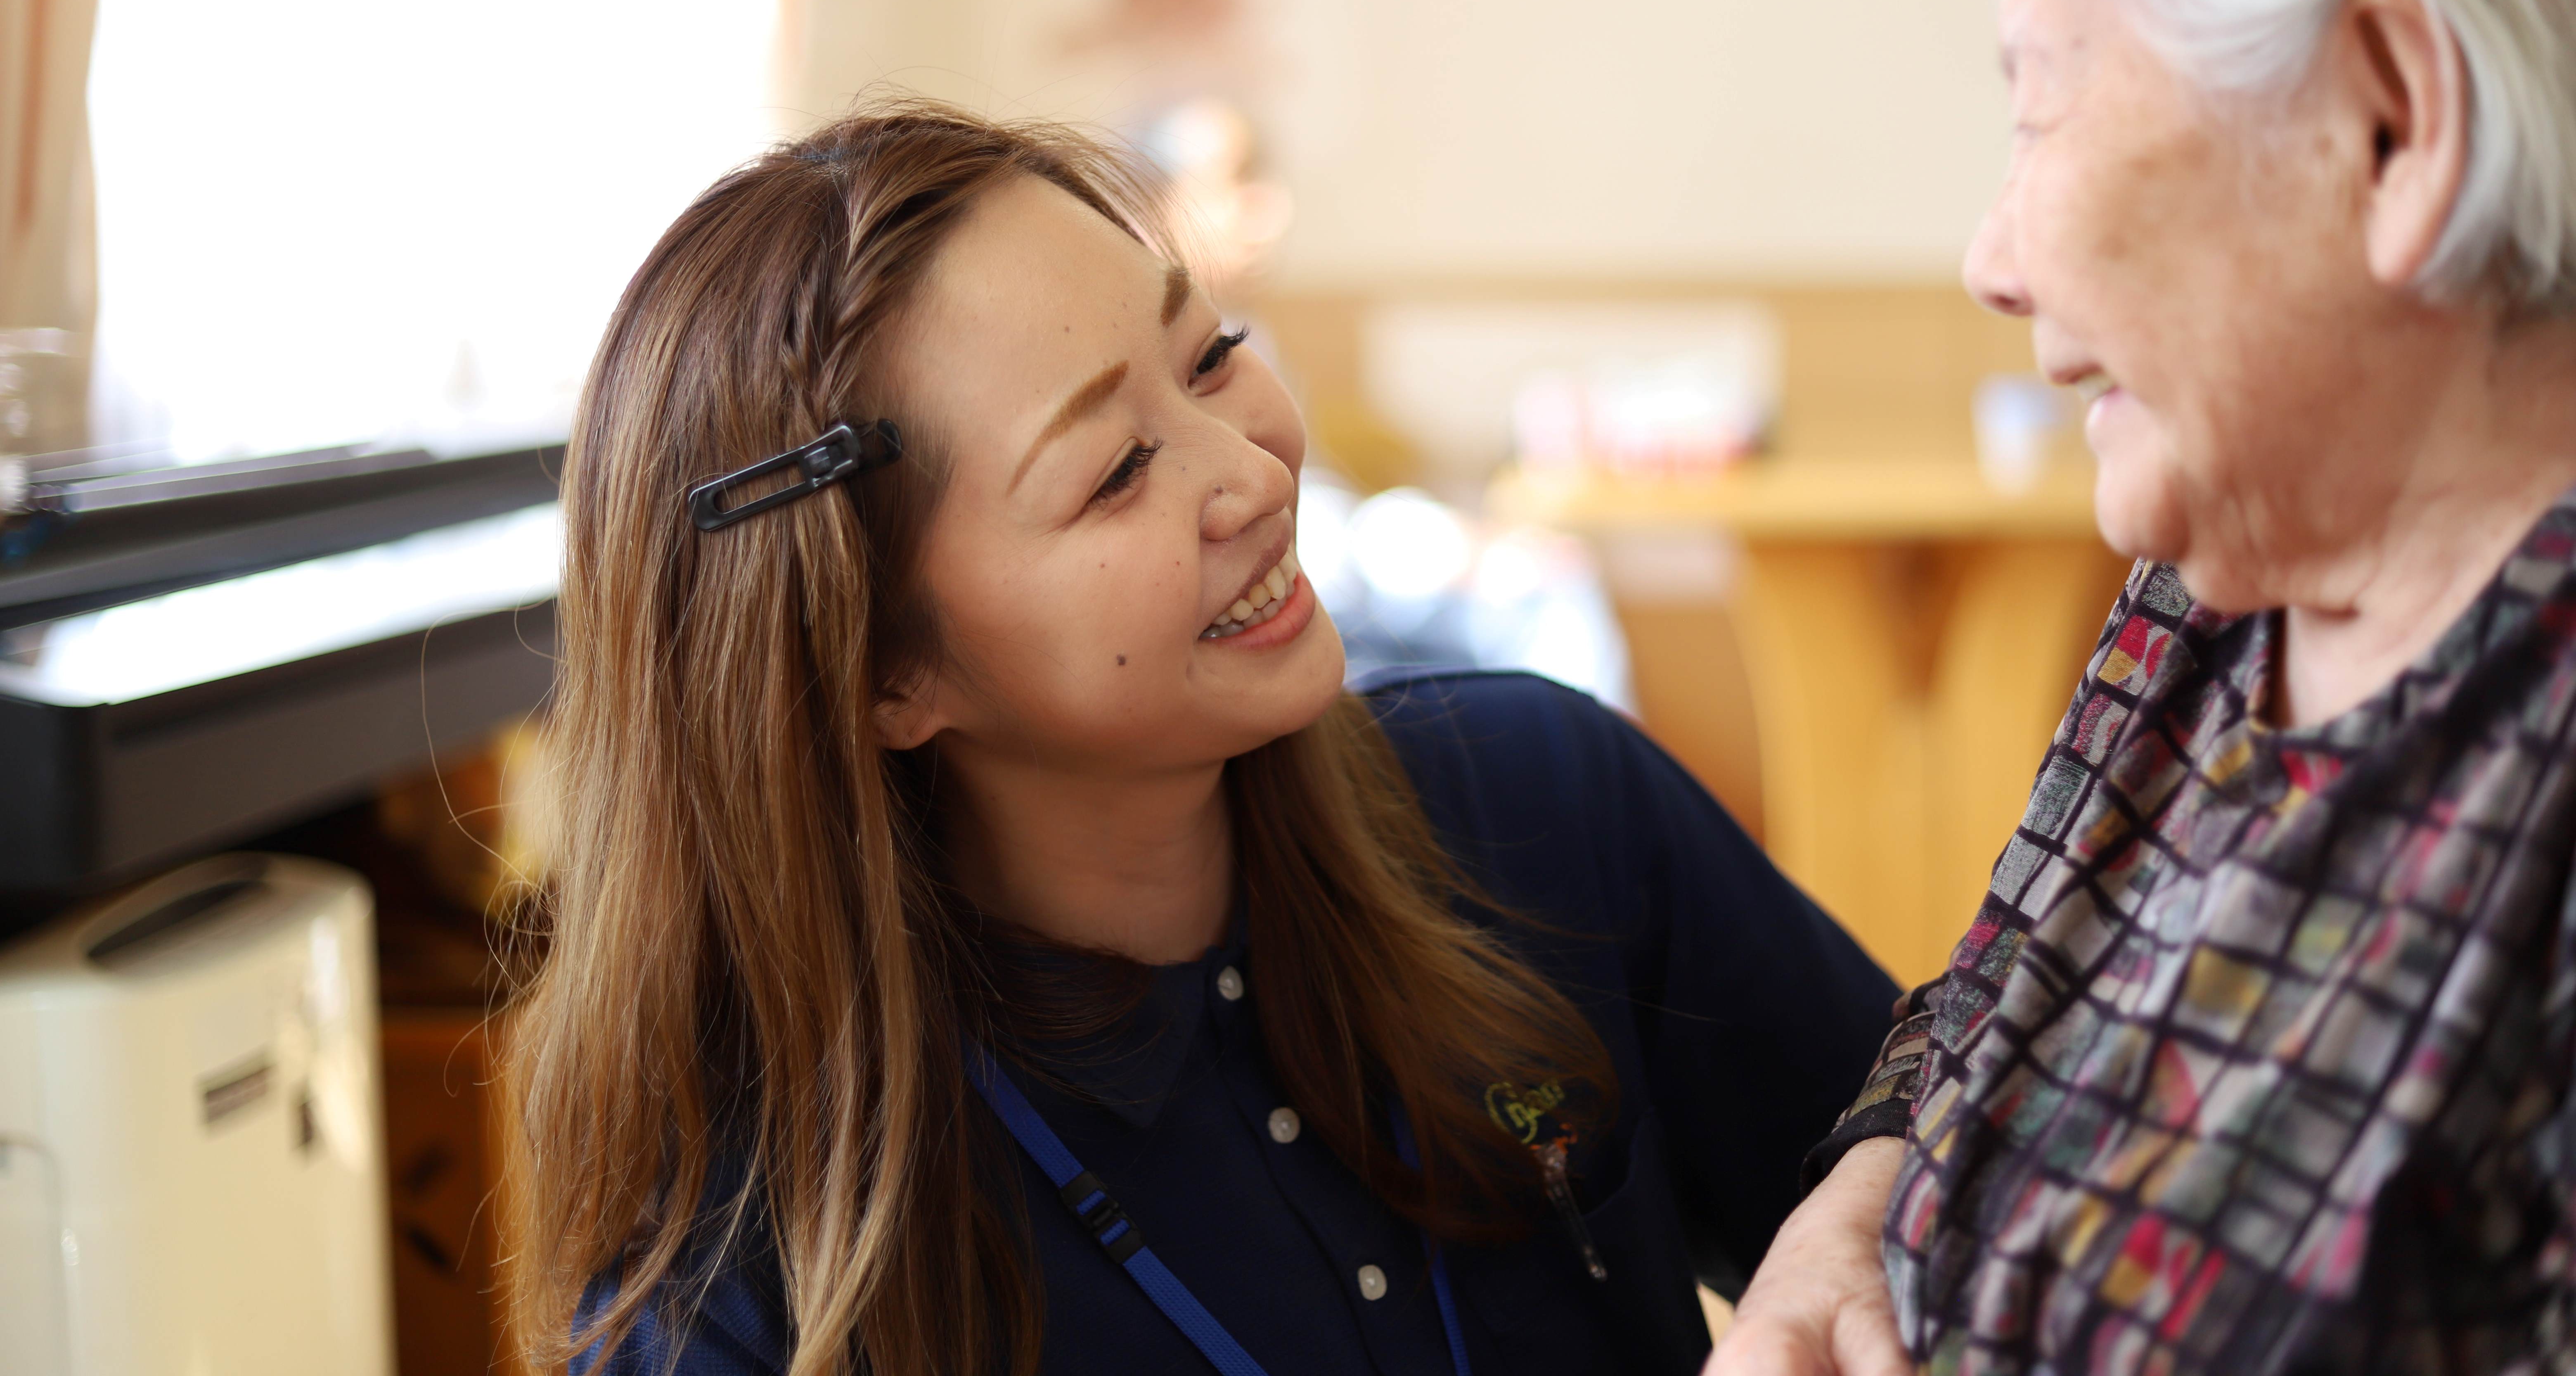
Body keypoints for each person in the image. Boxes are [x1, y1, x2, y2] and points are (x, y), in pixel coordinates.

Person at [504, 102, 1897, 1376]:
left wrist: (1878, 1186)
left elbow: (1975, 1155)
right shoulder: (754, 1288)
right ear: (886, 675)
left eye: (1213, 358)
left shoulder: (1546, 800)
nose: (1251, 471)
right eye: (1114, 473)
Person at [1712, 0, 2576, 1373]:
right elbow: (2006, 974)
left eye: (2041, 107)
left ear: (2389, 119)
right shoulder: (2216, 583)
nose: (1993, 255)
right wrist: (1855, 1206)